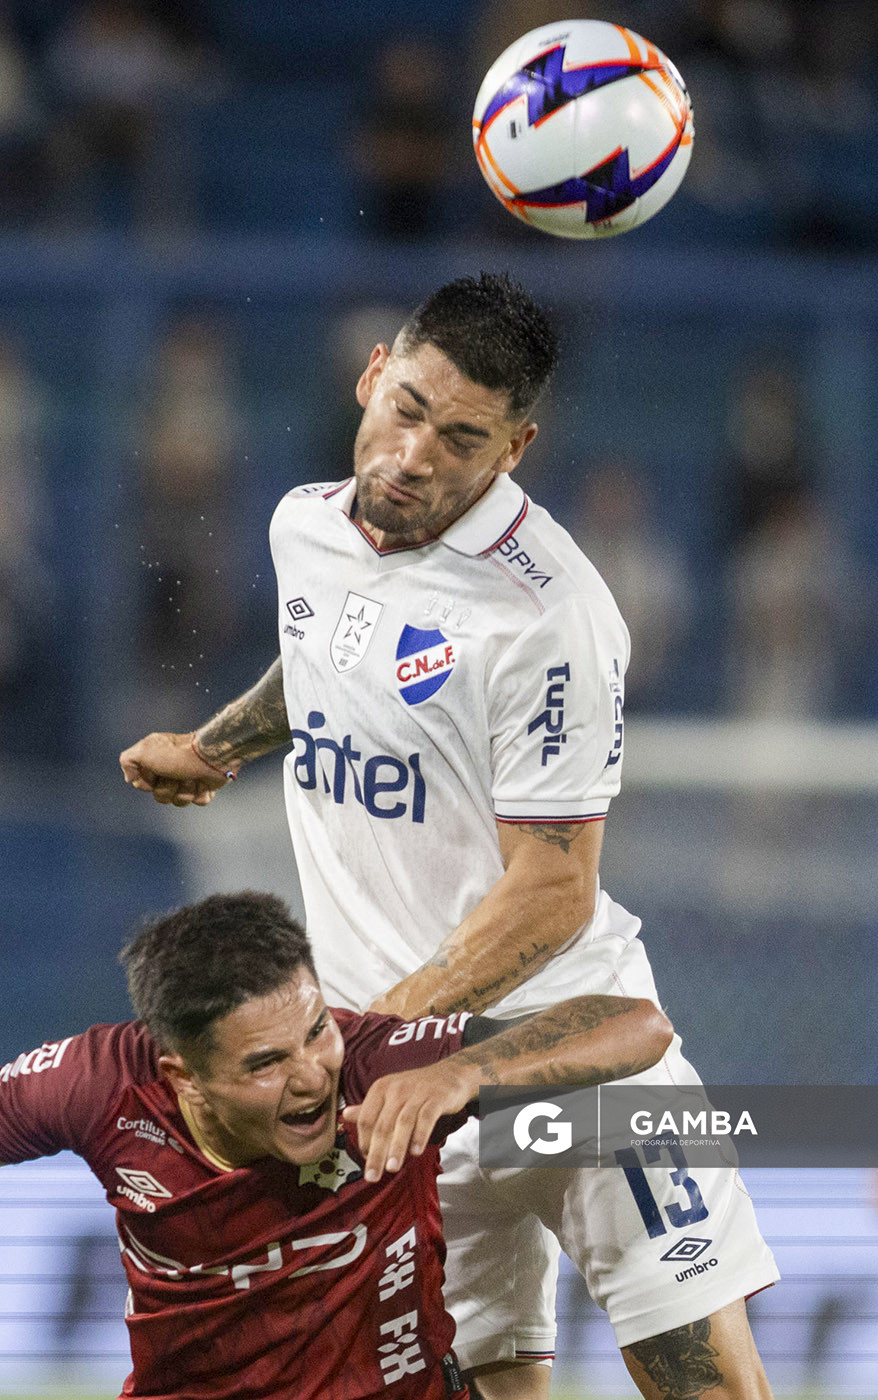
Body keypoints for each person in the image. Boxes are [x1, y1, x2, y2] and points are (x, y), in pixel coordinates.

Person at [120, 273, 779, 1400]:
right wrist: (219, 744)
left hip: (573, 1064)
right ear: (374, 372)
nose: (415, 454)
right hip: (408, 1101)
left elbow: (554, 889)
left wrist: (382, 1030)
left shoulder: (552, 616)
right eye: (408, 407)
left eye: (462, 436)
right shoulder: (304, 526)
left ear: (514, 446)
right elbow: (328, 656)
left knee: (702, 1387)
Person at [0, 889, 673, 1400]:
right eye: (266, 1064)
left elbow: (638, 1027)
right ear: (185, 1077)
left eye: (317, 1029)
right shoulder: (95, 1086)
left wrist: (463, 1072)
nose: (311, 1077)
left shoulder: (379, 1066)